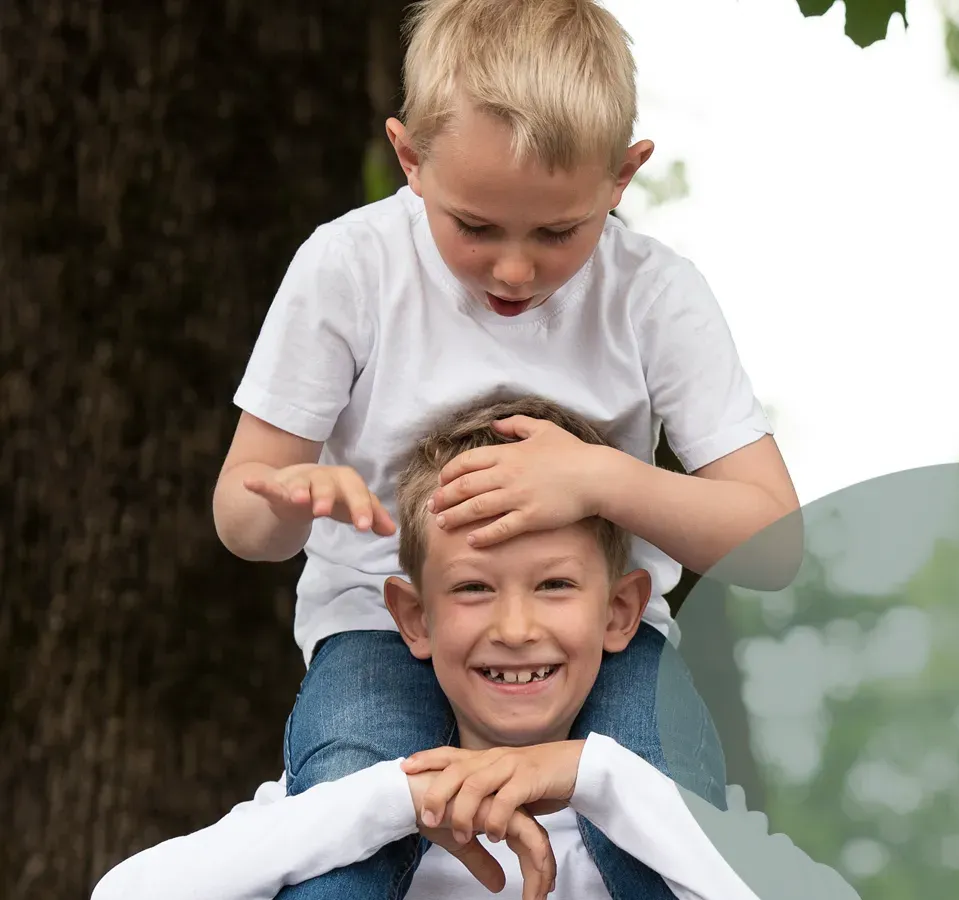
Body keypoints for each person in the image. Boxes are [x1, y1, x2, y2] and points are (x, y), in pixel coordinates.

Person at [210, 1, 802, 898]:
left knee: (663, 808)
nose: (515, 270)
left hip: (594, 635)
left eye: (558, 232)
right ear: (410, 159)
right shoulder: (349, 268)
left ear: (622, 176)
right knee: (350, 807)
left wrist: (598, 479)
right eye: (476, 227)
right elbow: (242, 519)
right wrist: (291, 501)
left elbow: (774, 545)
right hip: (383, 624)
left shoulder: (656, 296)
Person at [101, 399, 843, 900]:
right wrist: (397, 800)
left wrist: (595, 776)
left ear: (620, 613)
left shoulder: (663, 811)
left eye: (554, 585)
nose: (515, 628)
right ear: (413, 619)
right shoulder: (346, 805)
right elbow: (122, 893)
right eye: (474, 589)